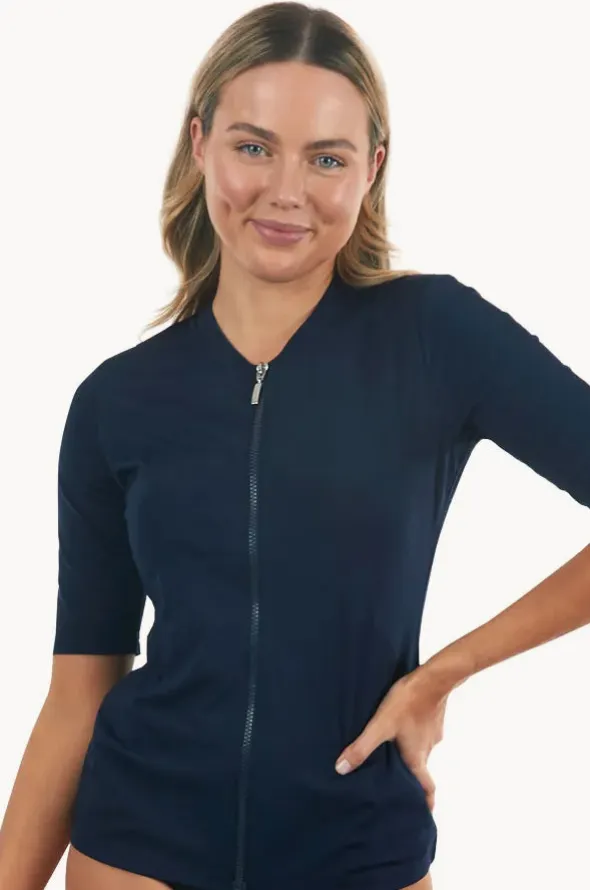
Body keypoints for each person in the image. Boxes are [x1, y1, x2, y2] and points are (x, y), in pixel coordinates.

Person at [2, 3, 590, 890]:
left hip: (358, 848)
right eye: (253, 146)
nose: (286, 190)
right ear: (199, 144)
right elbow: (78, 694)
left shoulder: (435, 336)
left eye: (326, 158)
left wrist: (444, 673)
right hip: (136, 849)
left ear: (372, 169)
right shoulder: (116, 402)